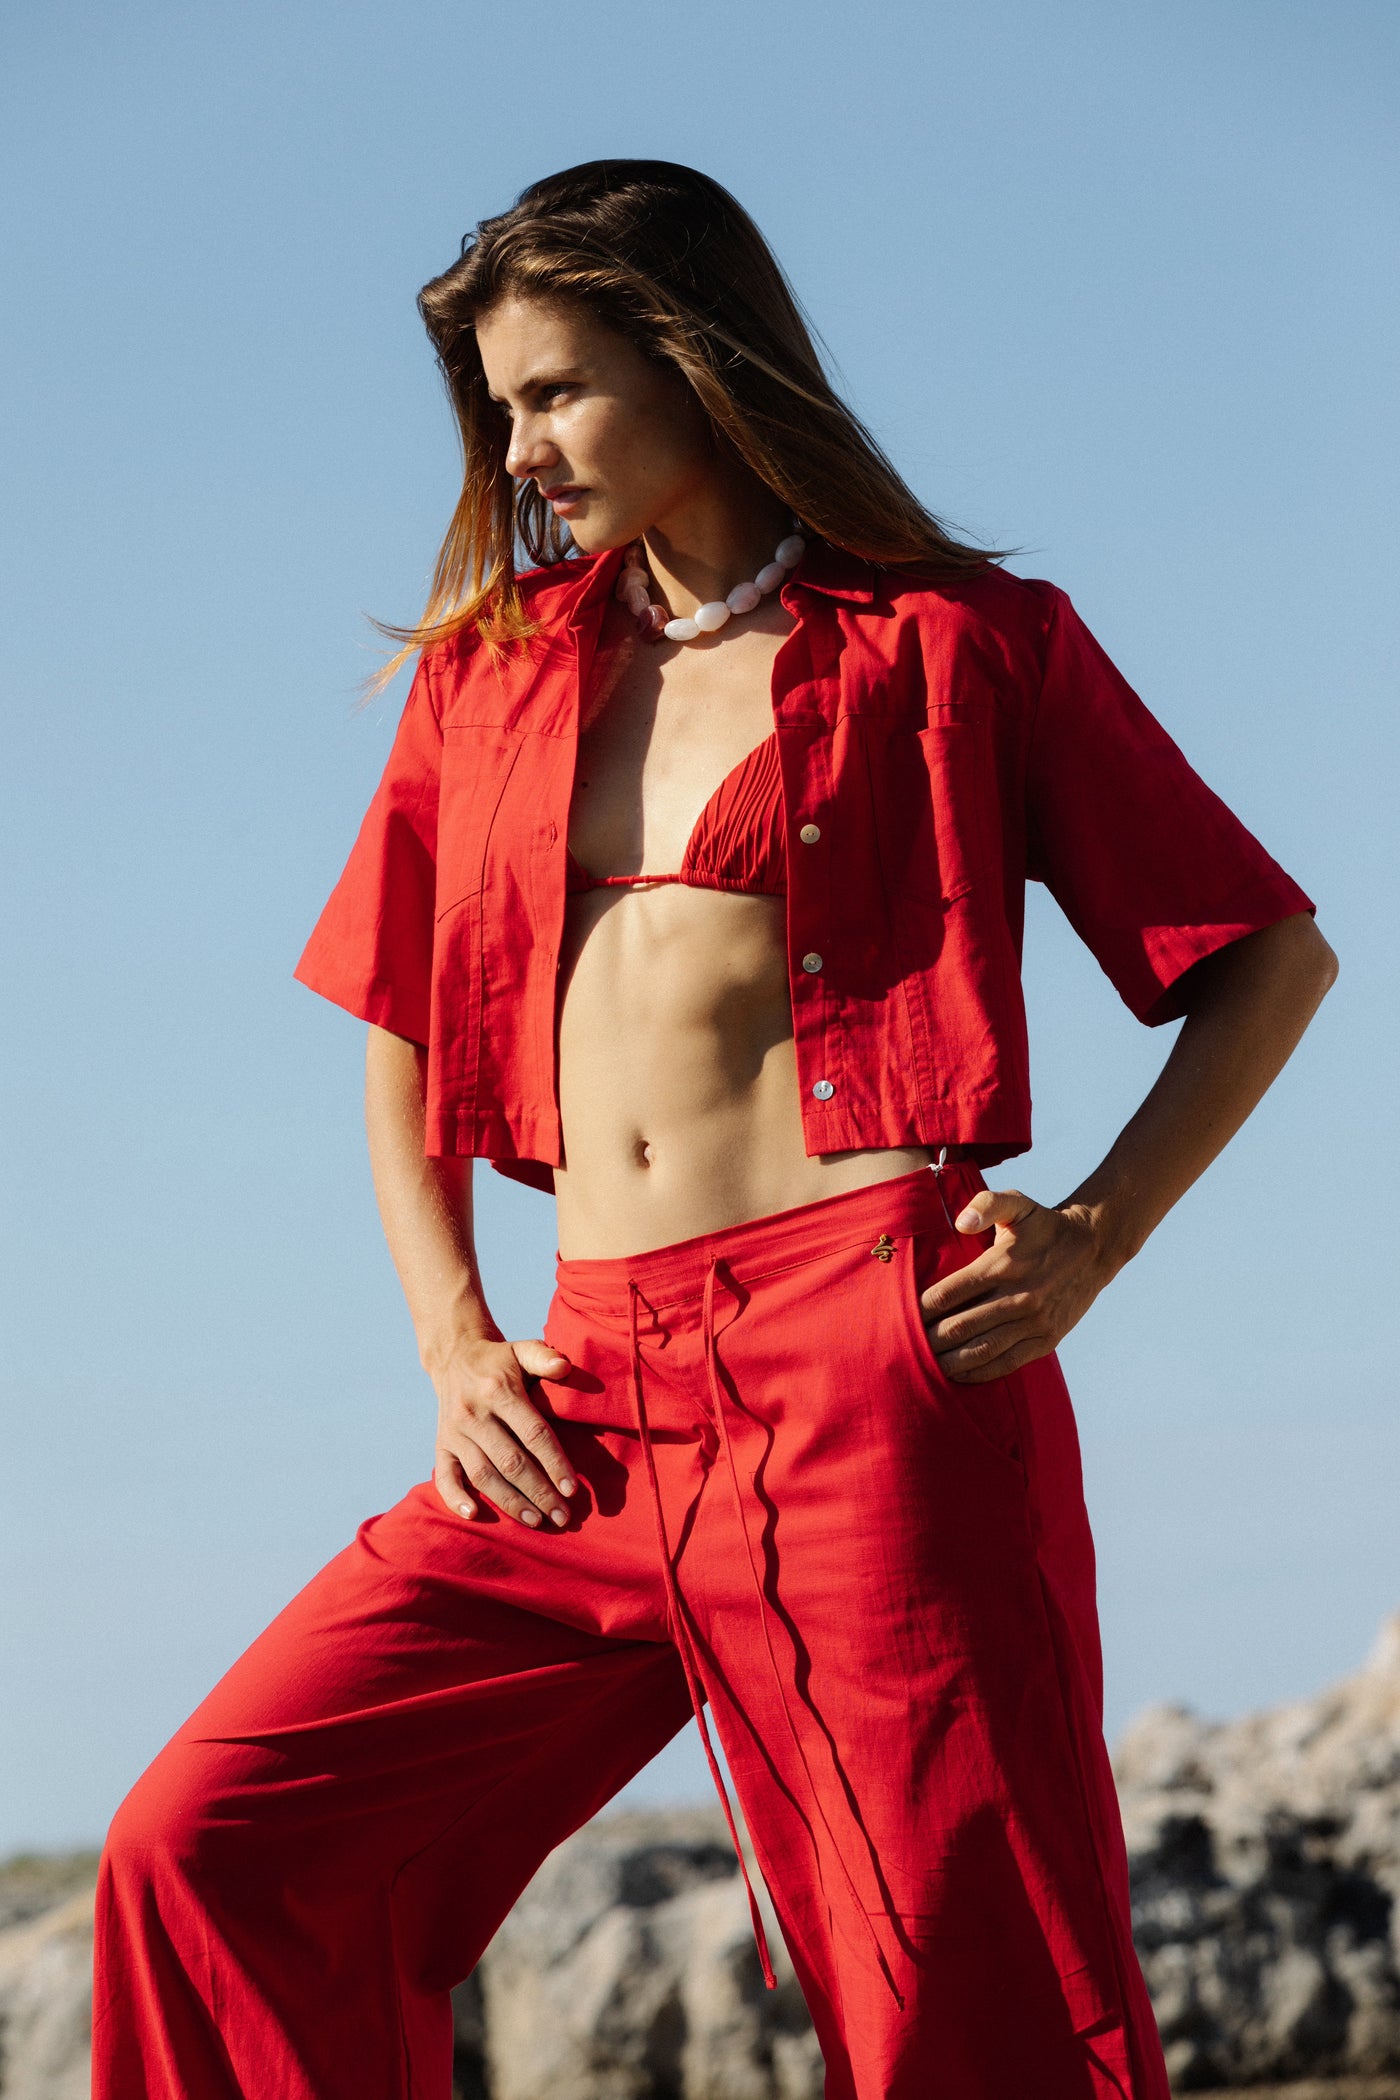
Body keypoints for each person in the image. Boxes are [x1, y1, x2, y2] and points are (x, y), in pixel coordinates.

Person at [92, 159, 1336, 2100]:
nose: (524, 448)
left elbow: (1265, 954)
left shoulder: (958, 645)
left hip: (875, 1370)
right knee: (219, 1852)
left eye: (560, 392)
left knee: (954, 1997)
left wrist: (1095, 1234)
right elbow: (404, 1033)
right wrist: (448, 1335)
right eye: (501, 406)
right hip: (579, 1398)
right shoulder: (493, 681)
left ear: (697, 359)